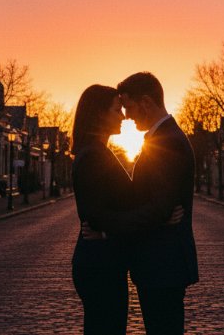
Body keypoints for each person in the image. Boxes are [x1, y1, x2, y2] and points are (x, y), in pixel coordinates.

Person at [111, 72, 199, 335]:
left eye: (129, 106)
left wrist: (112, 226)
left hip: (162, 264)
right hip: (161, 264)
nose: (127, 115)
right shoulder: (161, 138)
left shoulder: (167, 141)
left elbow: (160, 207)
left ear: (146, 102)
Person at [71, 84, 132, 335]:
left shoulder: (97, 152)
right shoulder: (94, 156)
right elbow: (95, 213)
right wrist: (108, 233)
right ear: (99, 114)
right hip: (100, 265)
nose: (124, 116)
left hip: (102, 261)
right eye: (117, 110)